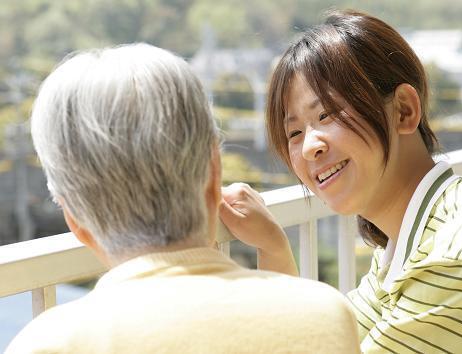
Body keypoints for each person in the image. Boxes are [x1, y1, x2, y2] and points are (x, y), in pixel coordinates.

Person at [6, 43, 360, 354]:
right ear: (214, 173)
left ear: (75, 219)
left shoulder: (47, 344)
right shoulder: (324, 314)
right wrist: (276, 251)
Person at [220, 10, 462, 354]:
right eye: (294, 132)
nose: (309, 146)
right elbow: (326, 343)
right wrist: (274, 247)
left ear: (404, 111)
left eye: (327, 114)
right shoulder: (409, 243)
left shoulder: (453, 256)